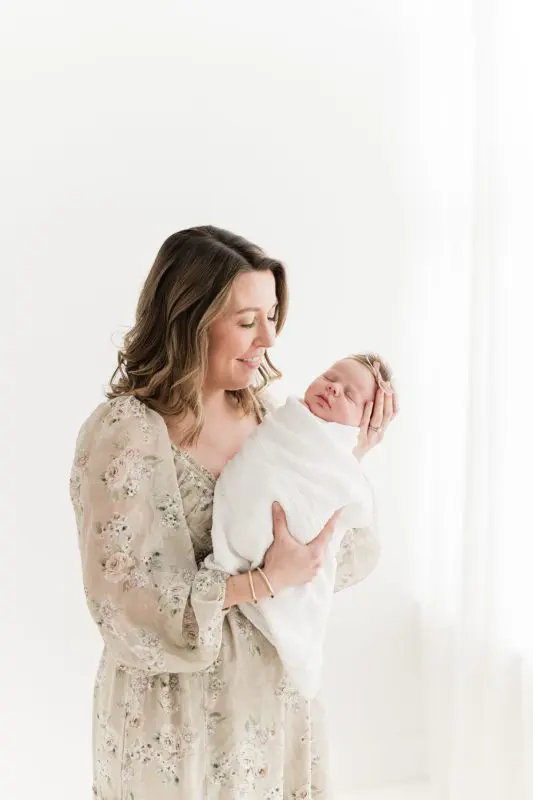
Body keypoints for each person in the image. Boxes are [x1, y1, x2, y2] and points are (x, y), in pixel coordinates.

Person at [69, 226, 399, 799]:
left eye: (271, 317)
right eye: (248, 321)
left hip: (270, 708)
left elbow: (343, 559)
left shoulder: (274, 421)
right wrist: (263, 581)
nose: (268, 338)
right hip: (175, 718)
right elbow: (123, 600)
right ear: (189, 321)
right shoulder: (126, 432)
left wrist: (347, 455)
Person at [206, 353, 395, 699]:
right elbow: (261, 464)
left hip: (276, 585)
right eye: (330, 377)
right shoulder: (282, 420)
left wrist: (354, 453)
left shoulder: (336, 457)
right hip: (235, 584)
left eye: (349, 395)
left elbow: (341, 504)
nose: (333, 389)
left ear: (362, 423)